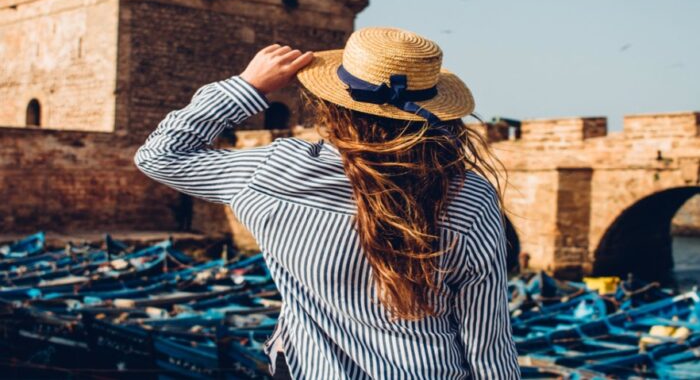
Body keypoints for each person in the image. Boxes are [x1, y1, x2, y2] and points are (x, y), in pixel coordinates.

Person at [134, 26, 520, 379]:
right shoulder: (470, 196)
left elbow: (161, 155)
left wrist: (248, 86)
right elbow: (487, 342)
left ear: (331, 102)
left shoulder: (276, 172)